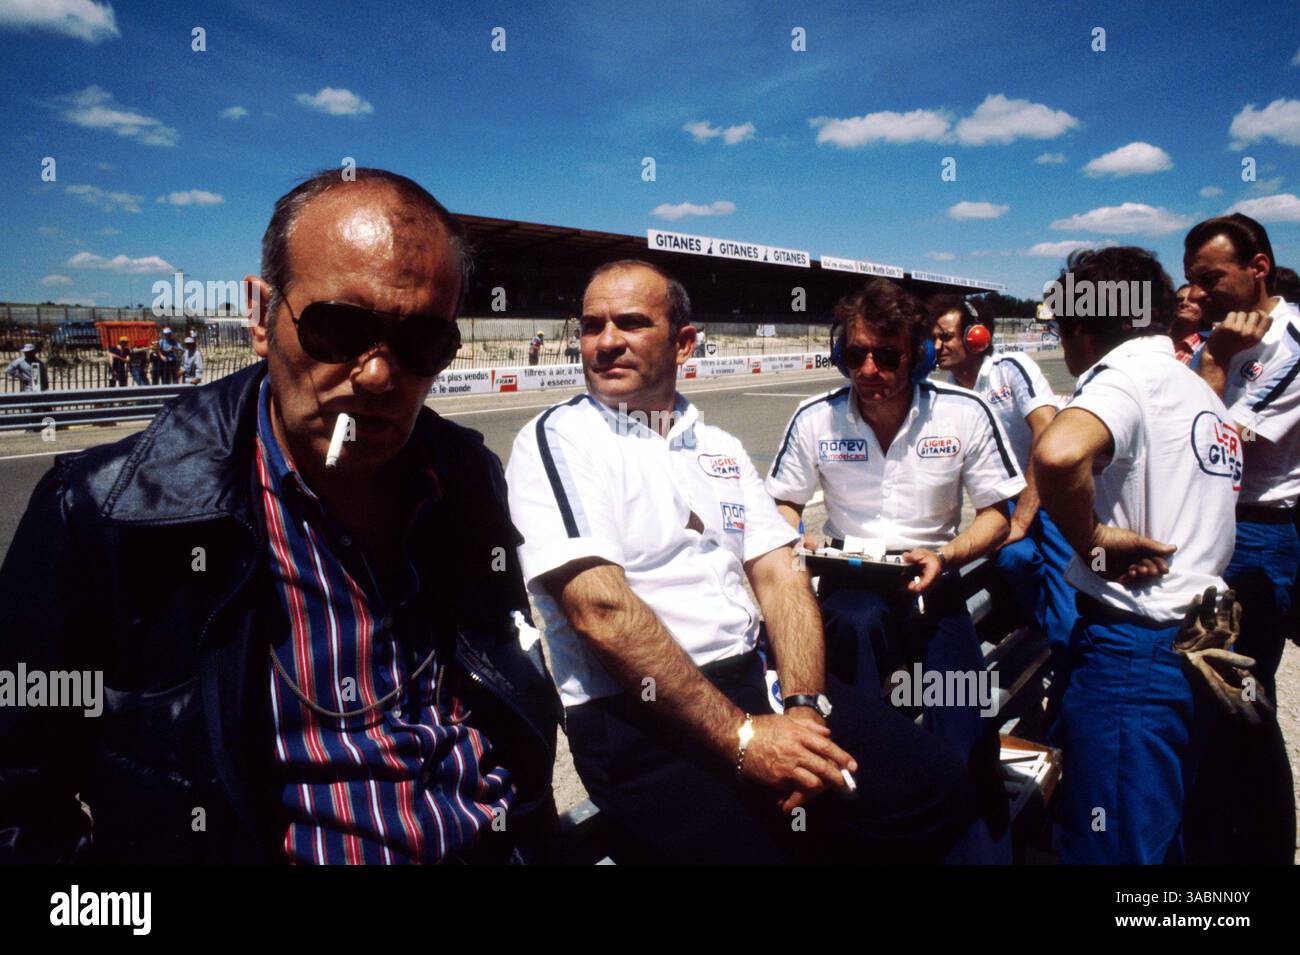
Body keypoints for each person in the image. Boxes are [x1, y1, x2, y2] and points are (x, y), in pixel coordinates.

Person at [0, 167, 560, 864]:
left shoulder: (466, 477)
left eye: (421, 344)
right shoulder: (106, 509)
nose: (379, 375)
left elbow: (505, 686)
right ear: (264, 320)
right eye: (339, 326)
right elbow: (14, 798)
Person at [507, 260, 983, 864]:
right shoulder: (562, 437)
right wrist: (744, 739)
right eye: (591, 326)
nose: (606, 343)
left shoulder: (718, 447)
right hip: (640, 711)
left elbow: (781, 575)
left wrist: (805, 710)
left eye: (630, 323)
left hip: (759, 683)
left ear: (684, 342)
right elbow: (599, 609)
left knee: (937, 787)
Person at [766, 279, 1023, 861]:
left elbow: (996, 517)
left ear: (921, 355)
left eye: (887, 355)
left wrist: (949, 554)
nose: (870, 368)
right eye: (857, 354)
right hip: (849, 587)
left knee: (966, 730)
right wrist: (790, 534)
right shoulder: (815, 419)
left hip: (934, 582)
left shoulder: (966, 411)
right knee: (852, 656)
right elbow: (781, 500)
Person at [1032, 246, 1241, 864]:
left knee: (1114, 852)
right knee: (1151, 837)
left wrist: (1090, 538)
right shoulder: (1195, 388)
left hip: (1134, 651)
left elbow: (1058, 453)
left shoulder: (1124, 376)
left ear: (1078, 326)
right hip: (1190, 644)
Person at [1182, 213, 1299, 863]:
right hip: (1216, 527)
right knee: (1213, 697)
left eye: (1210, 277)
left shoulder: (1288, 339)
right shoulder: (1219, 336)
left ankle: (1259, 853)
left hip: (1257, 533)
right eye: (1189, 279)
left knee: (1240, 701)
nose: (1196, 292)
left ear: (1258, 268)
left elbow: (1214, 443)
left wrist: (1219, 362)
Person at [931, 295, 1076, 666]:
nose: (937, 346)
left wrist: (1023, 518)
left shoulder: (1011, 368)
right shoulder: (949, 393)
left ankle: (1065, 647)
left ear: (976, 336)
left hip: (1054, 493)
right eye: (932, 337)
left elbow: (1047, 433)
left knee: (1069, 606)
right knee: (1014, 558)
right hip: (1009, 499)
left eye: (945, 337)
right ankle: (1040, 628)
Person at [1171, 284, 1209, 365]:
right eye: (1179, 300)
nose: (1184, 303)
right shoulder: (1157, 336)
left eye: (1192, 301)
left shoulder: (1212, 345)